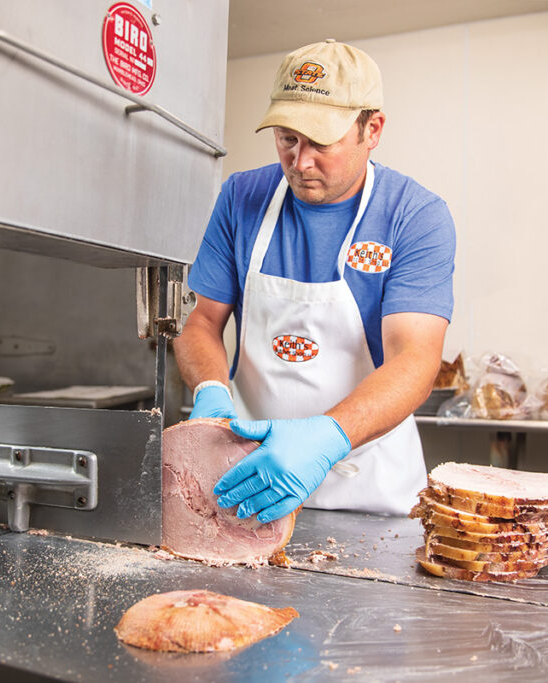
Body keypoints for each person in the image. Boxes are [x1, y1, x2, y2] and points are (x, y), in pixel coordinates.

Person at [175, 39, 455, 522]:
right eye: (287, 138)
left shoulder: (415, 215)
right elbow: (201, 321)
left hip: (369, 490)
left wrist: (325, 439)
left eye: (320, 142)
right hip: (249, 482)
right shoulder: (242, 197)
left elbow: (416, 359)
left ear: (373, 129)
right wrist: (210, 394)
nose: (300, 162)